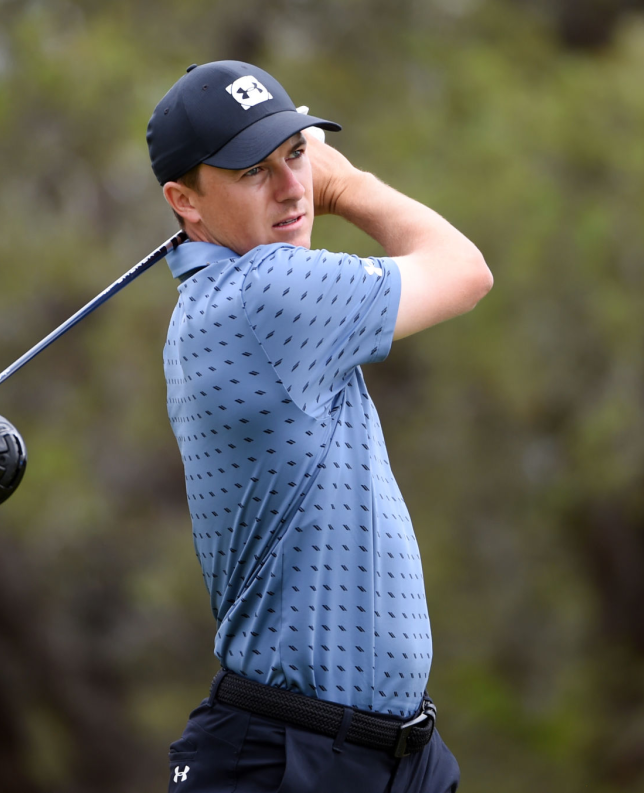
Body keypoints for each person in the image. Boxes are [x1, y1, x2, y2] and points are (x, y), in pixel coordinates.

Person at [146, 60, 491, 793]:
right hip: (290, 755)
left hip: (393, 755)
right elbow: (464, 270)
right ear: (186, 202)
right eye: (252, 170)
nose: (291, 187)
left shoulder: (234, 298)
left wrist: (295, 172)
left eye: (297, 155)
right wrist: (343, 181)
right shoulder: (265, 298)